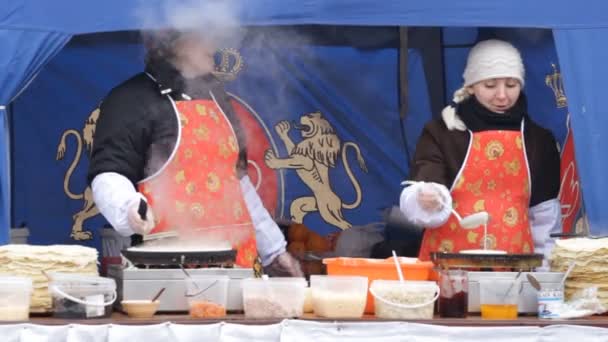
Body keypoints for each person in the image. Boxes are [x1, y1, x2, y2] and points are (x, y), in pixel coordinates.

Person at [87, 29, 303, 277]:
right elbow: (109, 172)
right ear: (170, 41)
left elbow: (237, 181)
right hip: (170, 275)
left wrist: (274, 251)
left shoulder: (216, 94)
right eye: (204, 30)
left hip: (240, 270)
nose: (216, 42)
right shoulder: (130, 99)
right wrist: (128, 208)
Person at [399, 39, 561, 265]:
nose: (502, 96)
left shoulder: (538, 140)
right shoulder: (442, 132)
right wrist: (426, 197)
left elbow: (545, 216)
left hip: (515, 271)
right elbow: (422, 185)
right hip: (448, 269)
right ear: (471, 86)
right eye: (490, 85)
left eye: (511, 85)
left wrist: (544, 278)